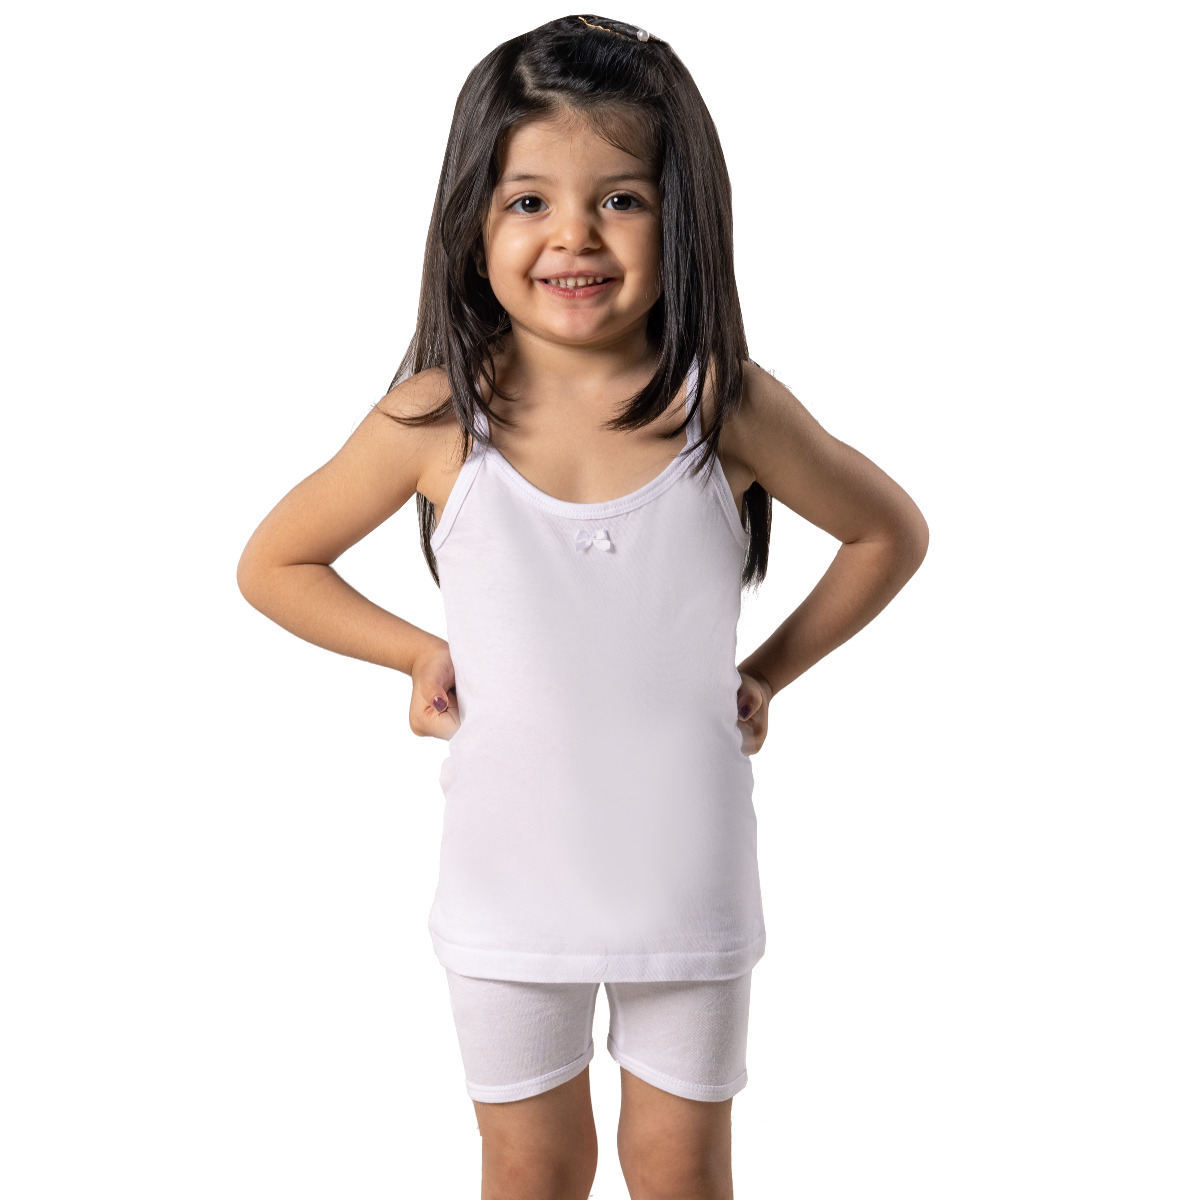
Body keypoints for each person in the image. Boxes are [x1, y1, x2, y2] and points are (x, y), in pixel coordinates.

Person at [237, 14, 928, 1200]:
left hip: (685, 873)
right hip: (508, 879)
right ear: (473, 223)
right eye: (528, 201)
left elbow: (887, 532)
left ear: (681, 216)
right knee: (531, 1164)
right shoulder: (435, 417)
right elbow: (275, 563)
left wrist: (768, 672)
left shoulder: (725, 406)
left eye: (621, 199)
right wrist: (415, 654)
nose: (574, 236)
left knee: (678, 1168)